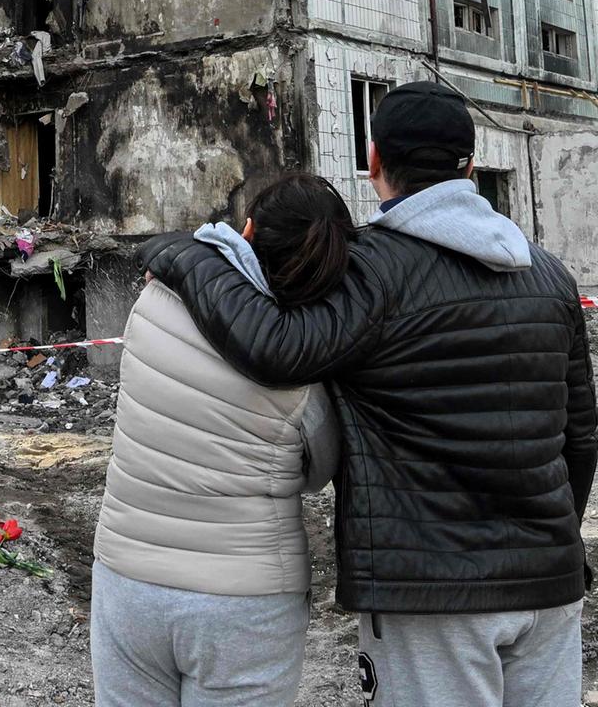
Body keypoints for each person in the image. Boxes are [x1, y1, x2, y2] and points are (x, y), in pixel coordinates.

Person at [142, 82, 598, 707]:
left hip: (429, 596)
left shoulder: (373, 269)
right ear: (469, 164)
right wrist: (553, 545)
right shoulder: (549, 273)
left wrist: (184, 256)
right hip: (549, 586)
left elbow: (276, 347)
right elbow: (580, 435)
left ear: (374, 160)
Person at [92, 173, 355, 706]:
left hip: (127, 580)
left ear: (249, 228)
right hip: (247, 598)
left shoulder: (155, 296)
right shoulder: (308, 362)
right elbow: (318, 472)